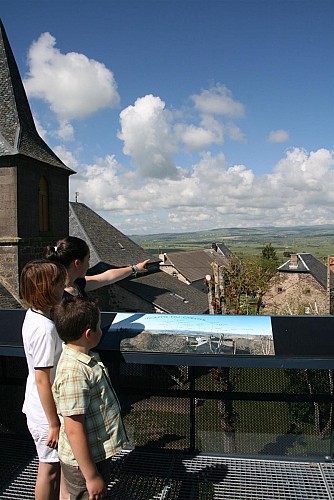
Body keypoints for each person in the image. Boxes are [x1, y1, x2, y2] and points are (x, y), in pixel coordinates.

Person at [52, 298, 128, 499]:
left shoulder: (82, 360)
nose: (101, 331)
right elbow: (73, 429)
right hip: (84, 465)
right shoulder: (74, 372)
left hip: (91, 456)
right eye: (99, 327)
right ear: (89, 334)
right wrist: (92, 475)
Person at [20, 260, 69, 500]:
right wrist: (53, 424)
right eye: (60, 283)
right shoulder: (45, 330)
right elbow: (42, 379)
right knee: (49, 469)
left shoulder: (33, 316)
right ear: (47, 289)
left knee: (52, 467)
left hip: (39, 408)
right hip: (45, 414)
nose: (64, 286)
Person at [44, 236, 150, 299]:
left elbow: (107, 277)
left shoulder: (76, 284)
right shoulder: (54, 296)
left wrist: (135, 268)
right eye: (88, 259)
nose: (89, 265)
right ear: (77, 263)